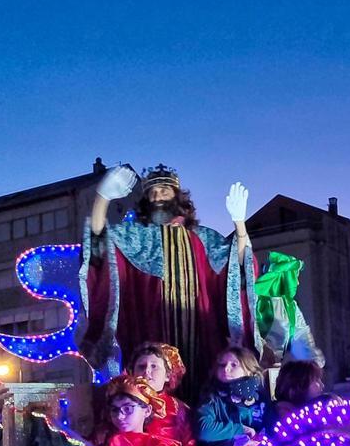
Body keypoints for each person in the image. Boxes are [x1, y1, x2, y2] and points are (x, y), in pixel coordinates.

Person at [78, 164, 258, 396]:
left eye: (164, 190)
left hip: (201, 338)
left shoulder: (205, 238)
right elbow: (98, 246)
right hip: (150, 330)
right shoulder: (135, 238)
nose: (158, 196)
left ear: (177, 197)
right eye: (152, 192)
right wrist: (102, 200)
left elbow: (239, 267)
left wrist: (239, 223)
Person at [95, 374, 203, 446]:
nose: (120, 416)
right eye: (115, 410)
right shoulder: (108, 442)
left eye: (128, 409)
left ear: (147, 410)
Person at [195, 347, 268, 446]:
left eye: (234, 365)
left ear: (249, 371)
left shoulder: (261, 399)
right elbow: (204, 430)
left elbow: (274, 429)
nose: (226, 369)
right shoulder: (212, 398)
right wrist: (240, 429)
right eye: (222, 365)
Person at [128, 341, 201, 446]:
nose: (147, 371)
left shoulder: (179, 409)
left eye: (154, 366)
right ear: (132, 373)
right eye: (141, 366)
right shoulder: (121, 404)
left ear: (167, 376)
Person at [267, 359, 325, 430]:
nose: (322, 385)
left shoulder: (306, 410)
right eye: (316, 380)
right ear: (299, 385)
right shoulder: (283, 413)